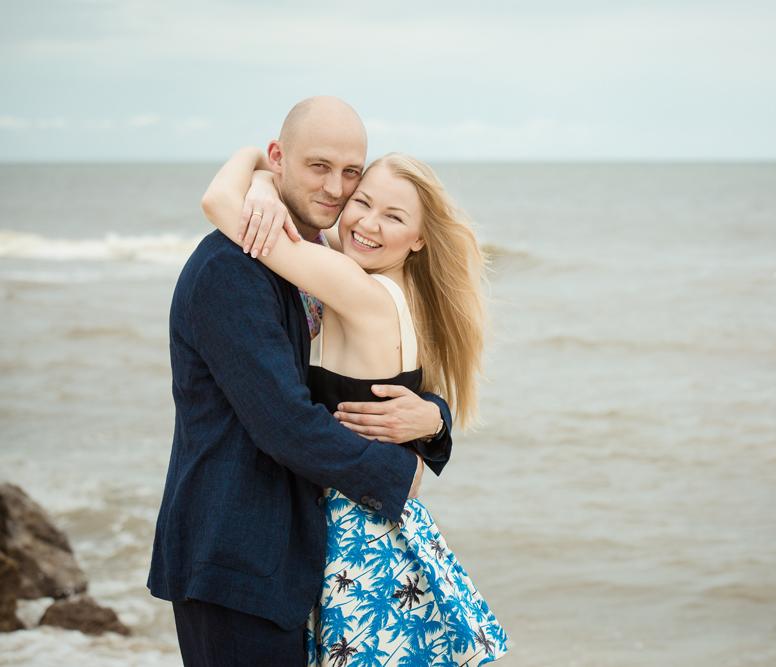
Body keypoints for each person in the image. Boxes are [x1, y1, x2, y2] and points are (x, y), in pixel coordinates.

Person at [148, 96, 452, 666]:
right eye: (318, 167)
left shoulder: (310, 254)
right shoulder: (231, 268)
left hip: (286, 558)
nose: (336, 189)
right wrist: (399, 471)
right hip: (233, 559)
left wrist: (434, 417)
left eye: (350, 173)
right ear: (280, 157)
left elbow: (350, 381)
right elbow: (286, 422)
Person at [200, 137, 508, 662]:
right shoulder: (383, 284)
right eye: (361, 202)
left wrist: (252, 162)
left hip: (359, 541)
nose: (367, 224)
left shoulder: (359, 290)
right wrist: (265, 185)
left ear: (418, 239)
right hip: (374, 524)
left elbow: (217, 205)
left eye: (393, 216)